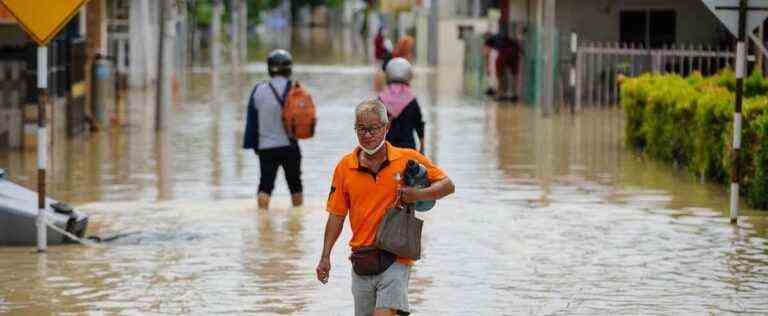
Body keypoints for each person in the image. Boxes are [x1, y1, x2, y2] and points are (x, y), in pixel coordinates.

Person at [315, 99, 455, 316]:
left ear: (387, 127)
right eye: (361, 129)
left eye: (373, 128)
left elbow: (447, 185)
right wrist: (325, 256)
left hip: (396, 256)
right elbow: (336, 216)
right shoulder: (345, 167)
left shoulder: (407, 158)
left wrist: (417, 194)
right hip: (361, 258)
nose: (367, 134)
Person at [242, 49, 303, 210]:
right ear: (289, 68)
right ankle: (297, 225)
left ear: (269, 68)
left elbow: (251, 123)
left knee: (265, 186)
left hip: (266, 147)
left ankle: (262, 222)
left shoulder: (258, 91)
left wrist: (255, 146)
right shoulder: (296, 90)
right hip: (290, 146)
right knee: (295, 186)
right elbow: (305, 120)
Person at [378, 57, 425, 153]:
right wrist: (422, 149)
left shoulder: (381, 99)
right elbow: (420, 126)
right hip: (408, 150)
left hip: (386, 151)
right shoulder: (411, 100)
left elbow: (374, 125)